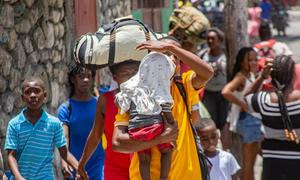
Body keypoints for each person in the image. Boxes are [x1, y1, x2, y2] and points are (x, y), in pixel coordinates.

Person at [112, 39, 213, 180]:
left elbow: (207, 73)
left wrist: (171, 47)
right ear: (151, 60)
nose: (170, 59)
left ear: (178, 65)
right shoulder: (133, 92)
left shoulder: (184, 85)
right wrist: (160, 139)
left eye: (175, 57)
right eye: (164, 54)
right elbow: (117, 143)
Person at [115, 52, 176, 180]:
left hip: (136, 129)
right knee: (166, 151)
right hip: (155, 127)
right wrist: (171, 122)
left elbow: (120, 100)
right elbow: (164, 106)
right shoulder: (157, 86)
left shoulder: (132, 85)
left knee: (144, 160)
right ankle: (163, 178)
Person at [4, 77, 78, 180]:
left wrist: (79, 168)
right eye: (28, 92)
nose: (33, 95)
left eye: (37, 91)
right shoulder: (14, 124)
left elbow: (64, 152)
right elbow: (11, 155)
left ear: (45, 96)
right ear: (22, 98)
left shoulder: (54, 123)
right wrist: (18, 177)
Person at [77, 61, 139, 180]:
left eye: (135, 73)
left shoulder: (147, 99)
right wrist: (82, 162)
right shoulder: (105, 100)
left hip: (143, 164)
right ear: (115, 77)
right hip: (115, 168)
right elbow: (96, 134)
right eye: (126, 74)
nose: (131, 78)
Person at [245, 55, 300, 180]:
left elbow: (247, 97)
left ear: (271, 76)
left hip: (272, 163)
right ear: (294, 75)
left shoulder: (263, 101)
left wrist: (262, 77)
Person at [57, 65, 105, 179]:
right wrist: (64, 161)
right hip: (74, 165)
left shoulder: (100, 105)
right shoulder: (66, 108)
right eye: (81, 76)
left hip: (98, 164)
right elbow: (65, 137)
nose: (86, 80)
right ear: (73, 79)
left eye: (89, 76)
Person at [222, 47, 261, 180]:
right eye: (250, 60)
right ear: (242, 62)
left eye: (256, 59)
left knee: (251, 163)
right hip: (247, 121)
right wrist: (242, 104)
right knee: (249, 164)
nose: (254, 62)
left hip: (250, 121)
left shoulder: (249, 75)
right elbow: (226, 91)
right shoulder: (241, 77)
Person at [199, 28, 229, 148]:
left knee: (225, 124)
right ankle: (212, 149)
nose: (210, 41)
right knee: (210, 123)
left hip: (224, 95)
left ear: (220, 40)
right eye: (208, 39)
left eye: (213, 38)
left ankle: (226, 151)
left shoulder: (227, 55)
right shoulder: (202, 55)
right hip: (208, 94)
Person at [254, 22, 293, 91]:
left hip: (260, 86)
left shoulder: (254, 50)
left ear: (259, 34)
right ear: (270, 32)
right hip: (280, 85)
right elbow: (290, 62)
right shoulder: (281, 46)